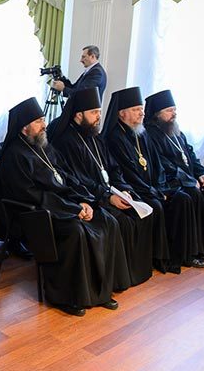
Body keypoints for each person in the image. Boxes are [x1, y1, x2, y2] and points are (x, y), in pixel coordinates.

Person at [0, 97, 130, 316]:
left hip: (61, 205)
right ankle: (67, 297)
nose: (44, 125)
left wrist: (84, 201)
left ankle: (100, 290)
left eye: (43, 119)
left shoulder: (45, 147)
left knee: (107, 220)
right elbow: (31, 195)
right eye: (38, 121)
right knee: (75, 231)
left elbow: (68, 178)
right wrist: (72, 209)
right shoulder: (14, 155)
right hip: (34, 214)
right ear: (24, 128)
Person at [49, 88, 155, 286]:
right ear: (78, 115)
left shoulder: (96, 137)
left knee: (140, 214)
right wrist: (107, 197)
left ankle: (135, 272)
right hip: (89, 198)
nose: (99, 116)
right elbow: (78, 180)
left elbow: (113, 169)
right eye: (94, 112)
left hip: (108, 192)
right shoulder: (66, 142)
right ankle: (116, 279)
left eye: (99, 111)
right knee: (122, 221)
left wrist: (123, 189)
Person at [103, 87, 204, 272]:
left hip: (154, 187)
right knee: (157, 205)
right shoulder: (115, 138)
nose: (142, 113)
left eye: (141, 109)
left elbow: (157, 164)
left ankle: (184, 254)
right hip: (136, 190)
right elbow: (127, 174)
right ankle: (161, 258)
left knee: (182, 198)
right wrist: (154, 192)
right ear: (122, 113)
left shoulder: (141, 133)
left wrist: (162, 188)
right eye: (136, 109)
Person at [144, 90, 204, 255]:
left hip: (189, 178)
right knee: (193, 193)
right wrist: (190, 181)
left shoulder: (176, 130)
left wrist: (202, 174)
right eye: (169, 110)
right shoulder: (150, 135)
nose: (174, 113)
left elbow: (191, 157)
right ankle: (196, 249)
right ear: (157, 114)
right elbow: (163, 165)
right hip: (171, 181)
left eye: (175, 109)